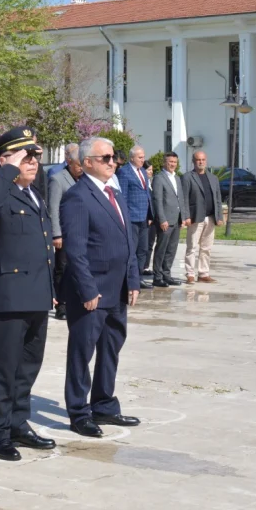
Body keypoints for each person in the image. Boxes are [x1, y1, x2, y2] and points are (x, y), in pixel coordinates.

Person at [0, 126, 56, 461]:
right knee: (4, 368)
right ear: (6, 158)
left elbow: (44, 248)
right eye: (26, 155)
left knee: (28, 367)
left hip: (37, 292)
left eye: (35, 155)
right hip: (9, 295)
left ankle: (19, 424)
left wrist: (51, 289)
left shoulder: (35, 194)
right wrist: (7, 166)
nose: (33, 161)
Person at [61, 137, 141, 438]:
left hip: (117, 288)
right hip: (92, 293)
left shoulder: (114, 194)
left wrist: (132, 279)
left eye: (114, 157)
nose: (112, 162)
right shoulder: (77, 197)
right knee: (82, 353)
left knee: (111, 349)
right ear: (87, 162)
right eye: (105, 157)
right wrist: (87, 290)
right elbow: (75, 250)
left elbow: (128, 243)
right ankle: (79, 412)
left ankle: (104, 404)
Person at [48, 143, 82, 320]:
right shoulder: (58, 179)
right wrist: (56, 234)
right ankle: (61, 304)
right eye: (78, 165)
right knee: (62, 268)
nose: (81, 168)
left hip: (81, 232)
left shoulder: (84, 179)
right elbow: (53, 208)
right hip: (65, 233)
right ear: (69, 163)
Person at [181, 151, 222, 284]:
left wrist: (219, 216)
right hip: (195, 217)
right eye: (198, 160)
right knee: (191, 247)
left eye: (203, 159)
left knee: (206, 248)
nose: (201, 162)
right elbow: (184, 199)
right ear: (193, 161)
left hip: (210, 218)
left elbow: (217, 199)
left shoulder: (213, 178)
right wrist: (186, 216)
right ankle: (190, 274)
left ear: (206, 160)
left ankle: (204, 273)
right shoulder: (187, 177)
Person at [116, 145, 154, 290]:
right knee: (131, 250)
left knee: (143, 249)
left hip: (144, 217)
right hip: (132, 218)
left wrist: (150, 214)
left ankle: (138, 278)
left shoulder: (143, 172)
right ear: (132, 157)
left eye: (143, 157)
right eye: (140, 157)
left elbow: (146, 194)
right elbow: (123, 197)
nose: (142, 160)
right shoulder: (124, 173)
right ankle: (129, 279)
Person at [151, 152, 188, 287]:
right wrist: (161, 219)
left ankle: (167, 274)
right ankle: (158, 276)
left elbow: (181, 199)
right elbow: (157, 200)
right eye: (170, 162)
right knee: (161, 248)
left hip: (176, 220)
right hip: (165, 220)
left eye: (174, 162)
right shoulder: (159, 178)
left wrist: (183, 217)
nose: (172, 164)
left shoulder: (177, 178)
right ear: (164, 163)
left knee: (171, 249)